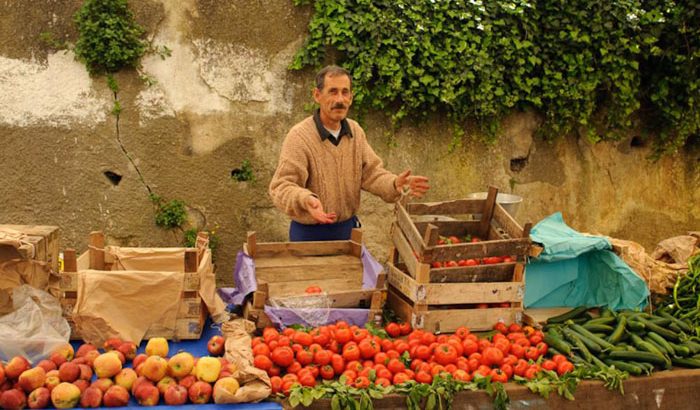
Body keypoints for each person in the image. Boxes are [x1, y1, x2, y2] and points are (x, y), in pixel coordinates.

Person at [269, 65, 430, 241]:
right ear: (317, 95)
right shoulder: (299, 137)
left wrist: (394, 184)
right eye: (333, 92)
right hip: (309, 235)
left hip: (347, 232)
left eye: (345, 92)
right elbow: (281, 186)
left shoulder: (355, 131)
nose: (340, 99)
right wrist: (305, 199)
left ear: (351, 98)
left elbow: (372, 175)